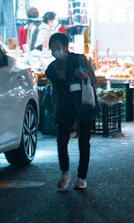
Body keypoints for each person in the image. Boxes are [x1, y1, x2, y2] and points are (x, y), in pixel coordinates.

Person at [45, 32, 98, 190]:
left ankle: (81, 178)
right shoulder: (51, 69)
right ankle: (65, 173)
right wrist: (55, 108)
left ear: (66, 47)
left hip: (83, 104)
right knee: (61, 140)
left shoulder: (79, 59)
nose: (55, 50)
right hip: (65, 106)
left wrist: (84, 76)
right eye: (52, 48)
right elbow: (54, 91)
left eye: (58, 47)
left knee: (84, 141)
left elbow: (94, 80)